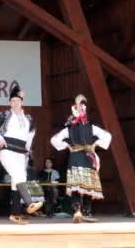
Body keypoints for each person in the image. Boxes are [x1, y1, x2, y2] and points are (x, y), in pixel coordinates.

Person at [0, 84, 43, 225]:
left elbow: (31, 133)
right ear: (9, 103)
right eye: (12, 101)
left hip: (20, 152)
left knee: (17, 181)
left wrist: (27, 150)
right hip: (7, 150)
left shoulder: (28, 118)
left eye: (17, 101)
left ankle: (15, 214)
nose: (15, 103)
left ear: (22, 102)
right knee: (19, 175)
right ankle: (30, 203)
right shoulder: (5, 115)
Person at [50, 94, 112, 223]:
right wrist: (94, 145)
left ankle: (79, 210)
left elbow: (54, 140)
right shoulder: (88, 128)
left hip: (78, 157)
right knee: (85, 185)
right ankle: (84, 211)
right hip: (84, 156)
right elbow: (107, 136)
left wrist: (67, 145)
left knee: (78, 185)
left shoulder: (72, 129)